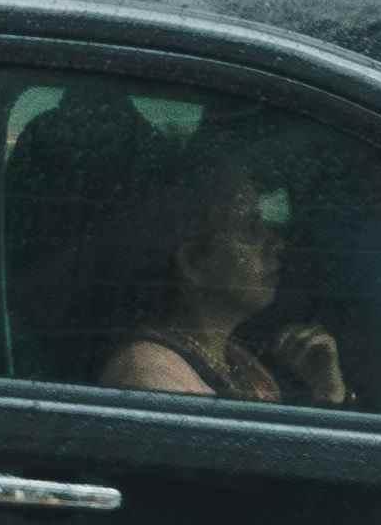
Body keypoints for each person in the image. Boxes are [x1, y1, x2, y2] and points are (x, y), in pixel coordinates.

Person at [78, 152, 348, 404]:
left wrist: (327, 391)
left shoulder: (239, 362)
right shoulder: (152, 376)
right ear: (193, 261)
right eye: (249, 229)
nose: (276, 245)